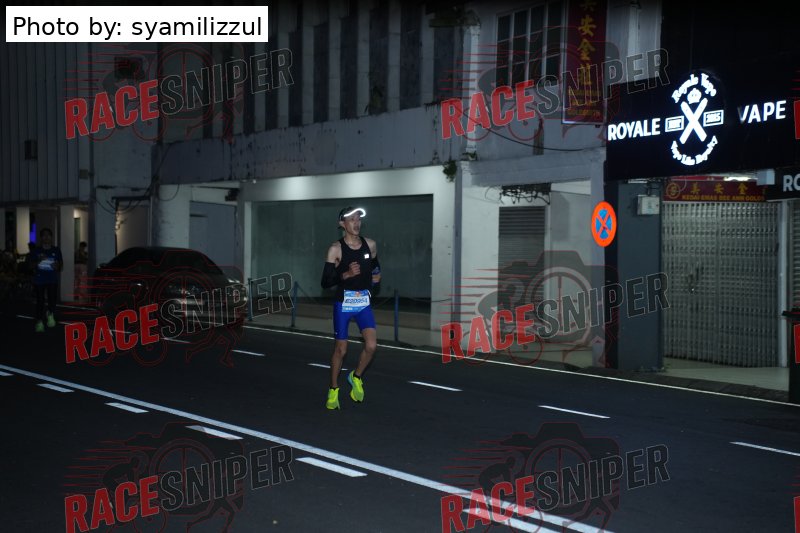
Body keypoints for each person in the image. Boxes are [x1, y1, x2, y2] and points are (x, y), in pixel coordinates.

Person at [320, 206, 381, 410]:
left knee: (371, 346)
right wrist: (345, 275)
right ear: (342, 224)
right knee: (341, 349)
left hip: (363, 303)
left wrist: (376, 276)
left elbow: (375, 266)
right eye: (352, 219)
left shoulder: (370, 245)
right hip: (343, 304)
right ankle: (333, 389)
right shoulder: (335, 249)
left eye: (358, 219)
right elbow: (325, 282)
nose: (356, 223)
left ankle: (356, 376)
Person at [28, 228, 63, 332]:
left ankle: (50, 313)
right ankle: (39, 322)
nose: (46, 237)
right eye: (44, 235)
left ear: (51, 237)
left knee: (52, 299)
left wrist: (57, 266)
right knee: (40, 301)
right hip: (40, 279)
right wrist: (38, 260)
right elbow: (30, 266)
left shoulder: (56, 250)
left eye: (48, 235)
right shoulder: (36, 251)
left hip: (52, 279)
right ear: (41, 238)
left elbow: (61, 265)